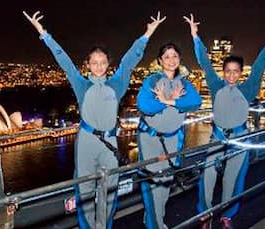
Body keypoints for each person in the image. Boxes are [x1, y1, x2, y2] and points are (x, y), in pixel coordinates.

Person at [24, 10, 166, 229]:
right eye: (94, 62)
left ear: (108, 64)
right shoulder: (82, 85)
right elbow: (64, 60)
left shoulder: (116, 85)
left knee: (110, 190)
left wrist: (147, 33)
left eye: (103, 62)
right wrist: (42, 32)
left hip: (109, 145)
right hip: (87, 142)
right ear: (87, 65)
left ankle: (104, 226)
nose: (99, 66)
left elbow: (129, 61)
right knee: (85, 192)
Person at [184, 14, 265, 228]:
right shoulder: (215, 85)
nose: (231, 75)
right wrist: (195, 36)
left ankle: (227, 215)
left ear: (240, 73)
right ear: (224, 72)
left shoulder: (248, 90)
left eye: (235, 72)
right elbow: (205, 63)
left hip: (239, 139)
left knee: (233, 181)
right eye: (228, 71)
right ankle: (205, 214)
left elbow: (259, 66)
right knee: (208, 178)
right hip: (217, 137)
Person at [137, 42, 202, 228]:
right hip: (150, 138)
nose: (171, 60)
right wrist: (169, 102)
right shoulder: (152, 80)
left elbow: (195, 102)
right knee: (153, 180)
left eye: (174, 56)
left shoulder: (185, 83)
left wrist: (168, 100)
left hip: (173, 138)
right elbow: (145, 106)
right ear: (160, 61)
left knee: (165, 182)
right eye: (167, 56)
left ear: (179, 59)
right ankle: (155, 224)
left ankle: (153, 217)